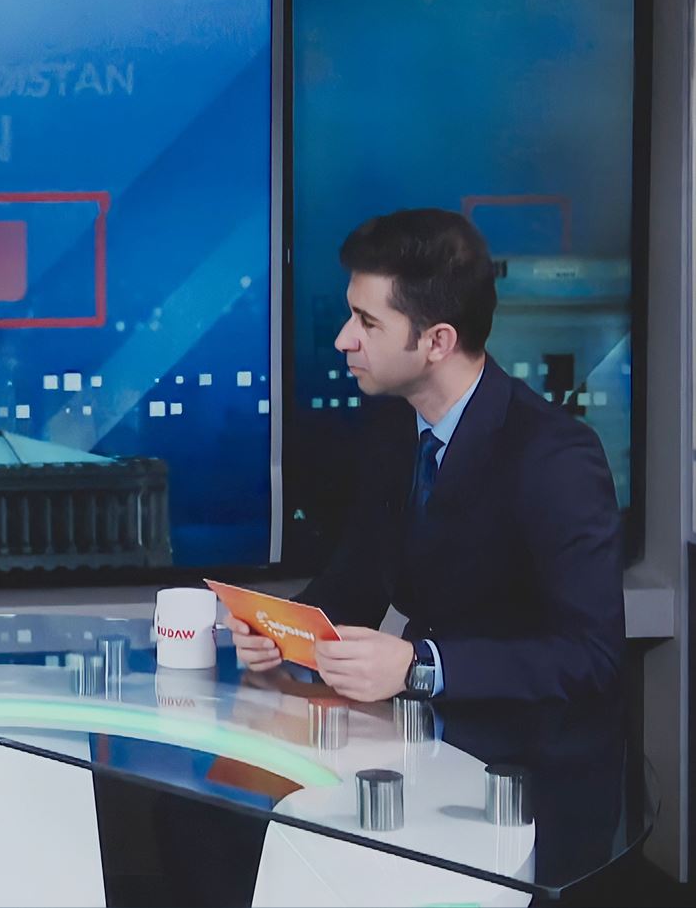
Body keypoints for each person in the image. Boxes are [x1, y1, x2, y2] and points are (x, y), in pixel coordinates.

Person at [232, 208, 623, 703]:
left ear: (438, 341)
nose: (343, 339)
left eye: (368, 322)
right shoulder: (393, 430)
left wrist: (422, 667)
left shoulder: (555, 457)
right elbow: (355, 584)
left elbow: (592, 655)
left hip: (526, 742)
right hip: (418, 731)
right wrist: (277, 632)